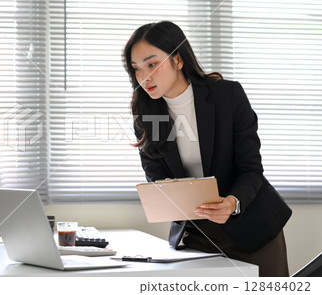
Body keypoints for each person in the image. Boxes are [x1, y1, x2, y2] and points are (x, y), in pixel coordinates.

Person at [123, 21, 292, 277]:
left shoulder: (227, 96)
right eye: (136, 69)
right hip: (199, 236)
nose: (144, 76)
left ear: (178, 60)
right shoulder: (147, 115)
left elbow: (251, 169)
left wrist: (232, 203)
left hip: (252, 228)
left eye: (152, 64)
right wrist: (166, 190)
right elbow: (154, 175)